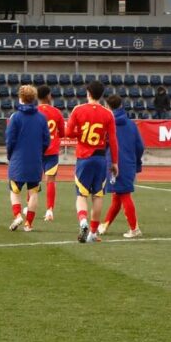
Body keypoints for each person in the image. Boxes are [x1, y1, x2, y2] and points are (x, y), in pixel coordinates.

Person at [67, 80, 118, 242]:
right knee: (98, 196)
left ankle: (83, 221)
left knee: (81, 195)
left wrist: (80, 135)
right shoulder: (108, 113)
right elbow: (113, 140)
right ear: (101, 95)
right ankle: (93, 233)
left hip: (84, 157)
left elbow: (68, 132)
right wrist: (115, 162)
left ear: (88, 93)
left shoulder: (78, 110)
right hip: (100, 158)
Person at [98, 94, 144, 238]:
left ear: (109, 107)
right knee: (118, 196)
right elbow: (140, 146)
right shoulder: (131, 124)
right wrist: (137, 162)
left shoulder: (107, 124)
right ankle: (105, 225)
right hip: (129, 163)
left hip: (114, 164)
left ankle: (134, 228)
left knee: (123, 195)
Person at [5, 84, 50, 231]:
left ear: (20, 98)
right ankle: (28, 224)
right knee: (33, 192)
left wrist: (10, 155)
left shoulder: (16, 117)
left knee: (14, 191)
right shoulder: (41, 118)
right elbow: (46, 141)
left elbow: (10, 139)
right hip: (35, 160)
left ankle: (17, 215)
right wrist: (39, 153)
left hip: (18, 159)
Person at [36, 85, 65, 221]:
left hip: (36, 150)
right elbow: (63, 133)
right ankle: (49, 210)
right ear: (48, 96)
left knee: (33, 180)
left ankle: (30, 208)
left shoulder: (34, 111)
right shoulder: (57, 112)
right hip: (52, 150)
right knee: (51, 181)